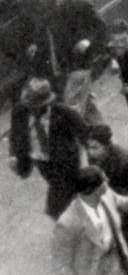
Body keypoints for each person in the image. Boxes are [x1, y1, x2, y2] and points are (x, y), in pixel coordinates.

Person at [33, 0, 108, 124]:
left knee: (72, 101)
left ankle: (77, 136)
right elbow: (40, 27)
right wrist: (35, 44)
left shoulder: (82, 4)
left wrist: (87, 41)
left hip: (80, 60)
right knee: (81, 98)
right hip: (59, 61)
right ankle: (100, 130)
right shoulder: (45, 5)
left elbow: (100, 27)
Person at [9, 78, 87, 219]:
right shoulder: (20, 112)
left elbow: (85, 134)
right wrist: (14, 155)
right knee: (69, 196)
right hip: (43, 162)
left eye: (39, 105)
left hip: (66, 163)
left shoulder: (64, 112)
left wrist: (93, 157)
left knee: (55, 208)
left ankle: (77, 226)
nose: (34, 109)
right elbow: (16, 135)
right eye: (30, 105)